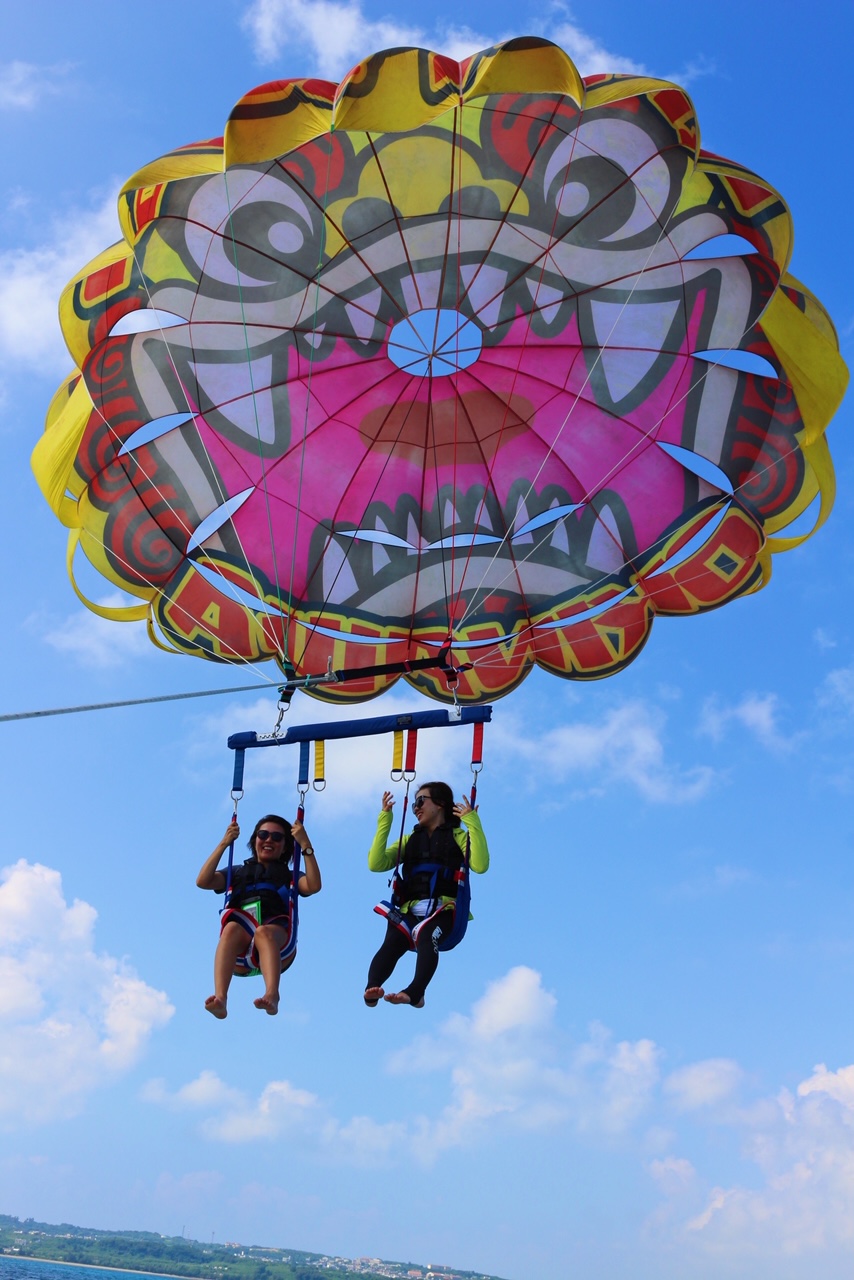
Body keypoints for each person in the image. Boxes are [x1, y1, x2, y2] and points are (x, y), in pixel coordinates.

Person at [364, 781, 488, 1009]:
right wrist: (385, 818)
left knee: (427, 934)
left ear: (440, 804)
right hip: (408, 910)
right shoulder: (410, 840)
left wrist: (472, 821)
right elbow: (376, 863)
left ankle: (415, 992)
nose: (416, 808)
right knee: (392, 942)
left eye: (421, 801)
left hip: (445, 911)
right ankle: (372, 987)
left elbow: (480, 865)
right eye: (413, 805)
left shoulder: (459, 837)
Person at [197, 813, 321, 1019]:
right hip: (241, 942)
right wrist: (224, 843)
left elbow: (313, 885)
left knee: (263, 932)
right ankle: (221, 998)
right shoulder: (237, 873)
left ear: (285, 846)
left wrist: (306, 845)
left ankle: (272, 994)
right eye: (263, 834)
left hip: (278, 941)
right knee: (230, 928)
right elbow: (203, 881)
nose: (269, 840)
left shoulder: (290, 876)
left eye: (277, 837)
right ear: (255, 839)